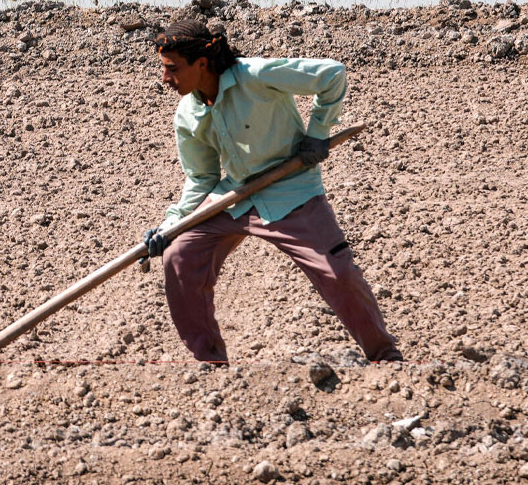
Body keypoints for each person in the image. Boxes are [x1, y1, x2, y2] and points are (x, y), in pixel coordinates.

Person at [144, 18, 401, 364]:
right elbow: (202, 178)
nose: (165, 79)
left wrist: (317, 132)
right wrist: (170, 225)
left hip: (290, 190)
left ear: (201, 64)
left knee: (338, 274)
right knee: (179, 256)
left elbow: (332, 74)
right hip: (234, 196)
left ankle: (384, 357)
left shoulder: (257, 76)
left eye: (172, 69)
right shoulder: (188, 114)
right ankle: (211, 364)